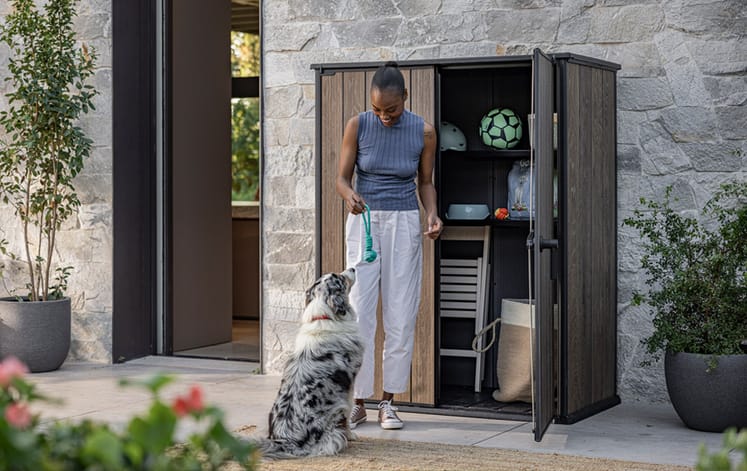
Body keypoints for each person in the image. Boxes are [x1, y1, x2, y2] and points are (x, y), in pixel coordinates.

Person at [336, 61, 442, 430]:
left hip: (403, 222)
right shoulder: (358, 124)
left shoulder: (423, 131)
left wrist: (432, 214)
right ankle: (358, 402)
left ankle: (389, 402)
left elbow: (425, 182)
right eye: (378, 108)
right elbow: (341, 178)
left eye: (391, 110)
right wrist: (349, 195)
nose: (384, 116)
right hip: (364, 222)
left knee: (400, 312)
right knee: (360, 311)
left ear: (405, 99)